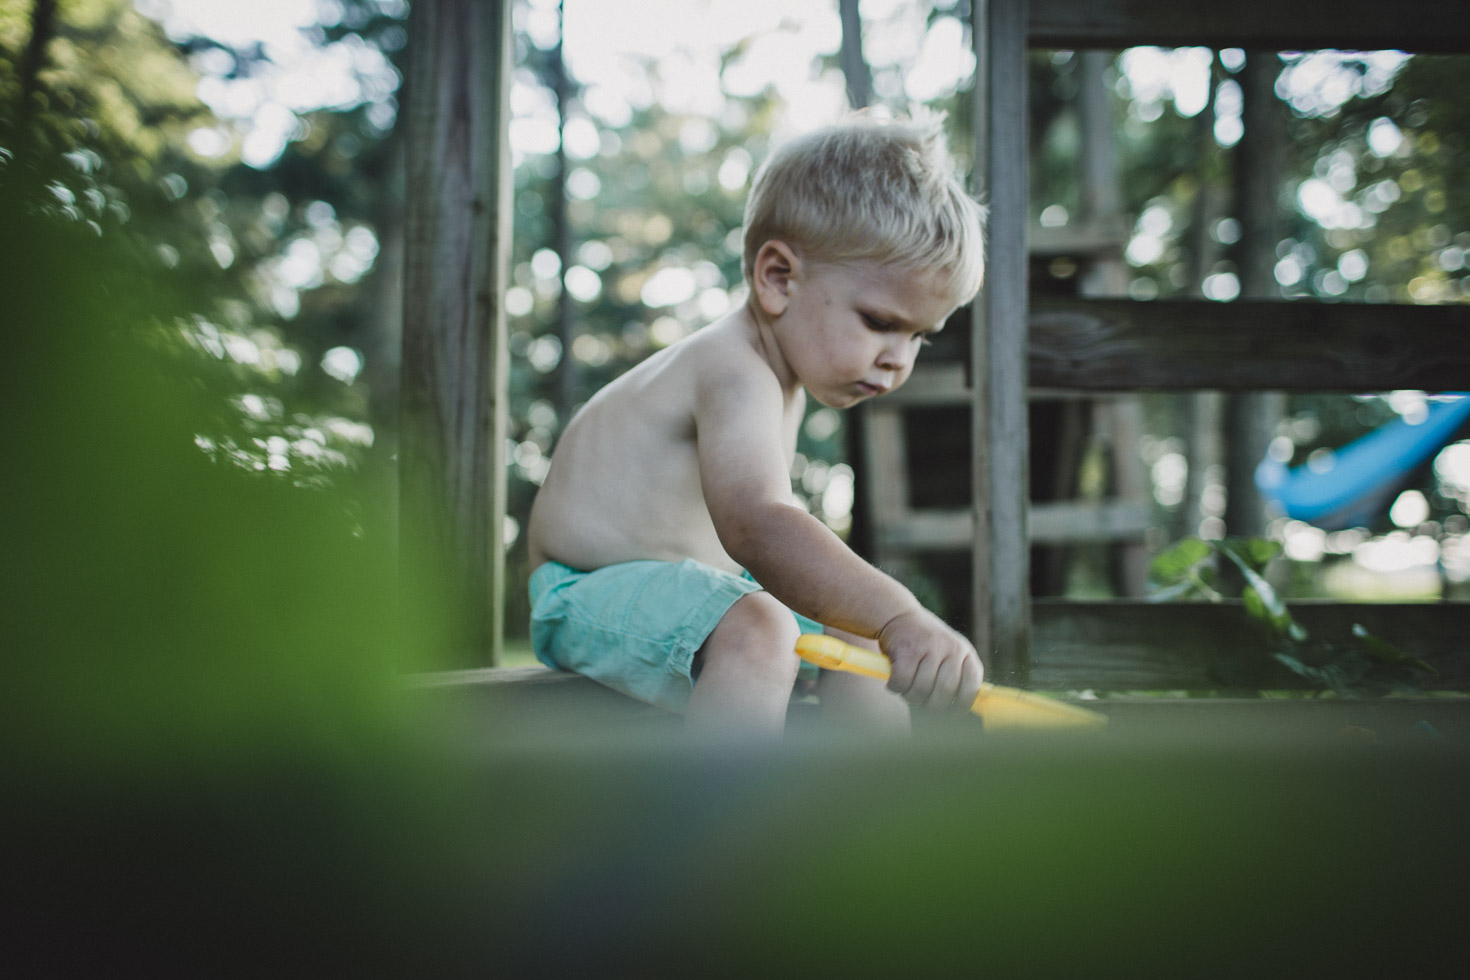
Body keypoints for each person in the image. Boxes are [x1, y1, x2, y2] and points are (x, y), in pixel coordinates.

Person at [526, 113, 987, 734]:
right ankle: (726, 822)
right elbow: (758, 527)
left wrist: (883, 623)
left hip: (691, 595)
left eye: (918, 337)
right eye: (880, 322)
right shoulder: (733, 369)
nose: (897, 358)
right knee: (765, 624)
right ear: (777, 279)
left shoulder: (775, 378)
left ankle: (881, 803)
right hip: (583, 594)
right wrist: (902, 612)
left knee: (855, 625)